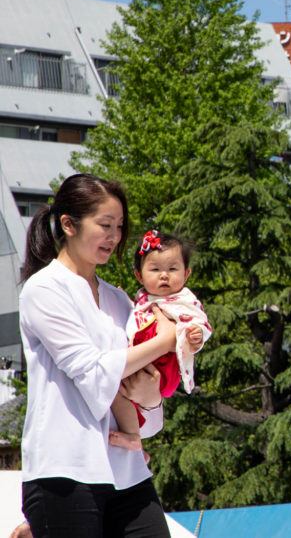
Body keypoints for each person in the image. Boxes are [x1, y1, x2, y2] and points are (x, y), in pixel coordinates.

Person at [17, 173, 178, 537]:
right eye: (105, 225)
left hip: (127, 469)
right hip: (64, 471)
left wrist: (151, 400)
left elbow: (146, 399)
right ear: (68, 224)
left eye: (119, 226)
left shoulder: (121, 301)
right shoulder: (43, 290)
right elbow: (93, 374)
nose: (115, 236)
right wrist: (165, 340)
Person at [108, 230, 211, 452]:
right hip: (145, 364)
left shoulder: (183, 299)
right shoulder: (143, 299)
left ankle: (133, 437)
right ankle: (135, 441)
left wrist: (196, 337)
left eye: (172, 269)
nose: (164, 275)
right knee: (117, 392)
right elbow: (137, 318)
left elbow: (199, 321)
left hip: (165, 368)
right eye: (155, 269)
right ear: (139, 275)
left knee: (111, 385)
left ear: (187, 274)